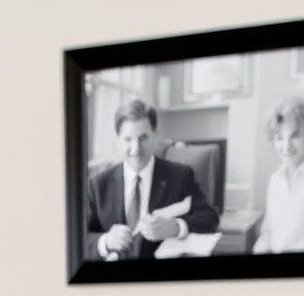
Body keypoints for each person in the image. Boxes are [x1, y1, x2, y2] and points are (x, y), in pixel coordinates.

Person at [87, 99, 219, 261]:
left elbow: (210, 218)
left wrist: (176, 227)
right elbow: (76, 236)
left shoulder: (181, 176)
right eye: (128, 139)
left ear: (155, 135)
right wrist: (106, 241)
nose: (135, 149)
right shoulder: (97, 184)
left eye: (143, 138)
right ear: (118, 140)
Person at [252, 96, 304, 255]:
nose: (286, 146)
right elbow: (268, 233)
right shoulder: (276, 179)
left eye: (295, 136)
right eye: (279, 137)